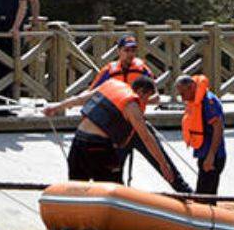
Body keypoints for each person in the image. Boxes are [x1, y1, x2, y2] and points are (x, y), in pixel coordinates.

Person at [42, 76, 190, 192]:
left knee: (77, 187)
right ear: (140, 92)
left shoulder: (111, 84)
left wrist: (57, 106)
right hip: (97, 146)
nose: (145, 102)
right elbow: (146, 137)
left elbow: (81, 98)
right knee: (114, 188)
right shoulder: (132, 106)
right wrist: (163, 164)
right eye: (146, 98)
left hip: (78, 141)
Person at [177, 74, 225, 200]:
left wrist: (211, 156)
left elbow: (218, 128)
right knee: (203, 194)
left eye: (183, 93)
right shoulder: (195, 102)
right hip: (203, 154)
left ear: (191, 87)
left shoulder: (209, 101)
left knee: (205, 197)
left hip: (213, 156)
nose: (182, 98)